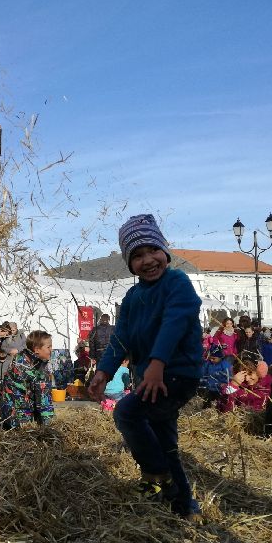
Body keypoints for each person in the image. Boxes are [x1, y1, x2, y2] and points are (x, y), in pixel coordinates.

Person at [88, 214, 203, 519]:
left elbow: (175, 322)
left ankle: (157, 473)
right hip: (151, 376)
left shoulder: (177, 282)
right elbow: (120, 339)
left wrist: (157, 363)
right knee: (163, 435)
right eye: (137, 256)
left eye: (153, 250)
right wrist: (104, 371)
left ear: (165, 251)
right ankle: (182, 505)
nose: (147, 260)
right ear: (128, 263)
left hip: (176, 373)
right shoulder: (133, 296)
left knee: (128, 412)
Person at [0, 330, 55, 434]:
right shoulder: (38, 370)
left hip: (8, 411)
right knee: (26, 433)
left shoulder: (20, 358)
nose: (51, 349)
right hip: (22, 417)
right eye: (48, 347)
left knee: (6, 426)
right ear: (37, 349)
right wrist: (50, 429)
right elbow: (44, 403)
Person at [0, 322, 26, 390]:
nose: (12, 332)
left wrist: (17, 350)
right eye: (10, 330)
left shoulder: (21, 335)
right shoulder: (6, 336)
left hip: (20, 359)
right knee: (9, 377)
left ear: (16, 329)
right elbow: (2, 347)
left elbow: (25, 346)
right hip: (9, 359)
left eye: (13, 330)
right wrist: (10, 351)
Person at [199, 341, 232, 408]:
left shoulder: (225, 365)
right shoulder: (208, 364)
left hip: (220, 389)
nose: (211, 360)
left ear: (220, 357)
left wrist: (224, 384)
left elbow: (228, 378)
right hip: (209, 387)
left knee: (220, 403)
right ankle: (206, 410)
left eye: (214, 358)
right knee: (206, 402)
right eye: (210, 358)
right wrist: (202, 380)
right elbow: (203, 373)